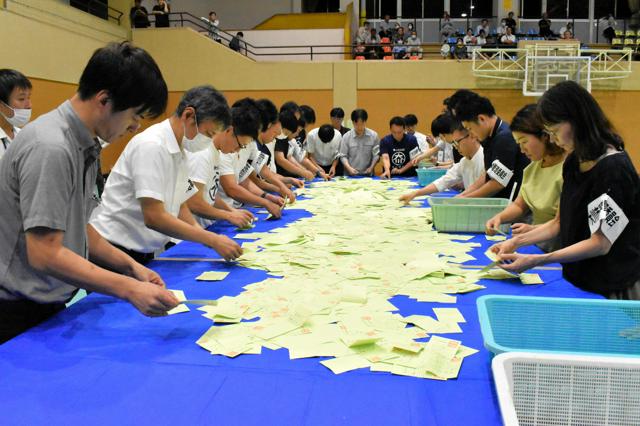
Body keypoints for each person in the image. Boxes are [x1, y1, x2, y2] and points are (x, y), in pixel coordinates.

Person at [0, 42, 179, 344]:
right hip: (15, 313)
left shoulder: (84, 143)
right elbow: (45, 253)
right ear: (104, 100)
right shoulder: (51, 147)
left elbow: (80, 228)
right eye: (134, 115)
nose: (134, 127)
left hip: (49, 304)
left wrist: (131, 267)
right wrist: (127, 288)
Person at [493, 81, 640, 300]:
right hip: (579, 275)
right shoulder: (573, 160)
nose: (553, 140)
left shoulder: (612, 168)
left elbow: (600, 243)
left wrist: (537, 260)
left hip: (614, 284)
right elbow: (558, 223)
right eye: (548, 132)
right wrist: (516, 242)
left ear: (577, 120)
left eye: (555, 131)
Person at [90, 85, 243, 265]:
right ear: (188, 116)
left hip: (142, 250)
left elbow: (181, 204)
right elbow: (154, 217)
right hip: (113, 249)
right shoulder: (152, 146)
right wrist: (211, 240)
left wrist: (204, 237)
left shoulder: (181, 150)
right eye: (208, 134)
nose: (208, 142)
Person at [485, 105, 566, 251]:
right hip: (537, 243)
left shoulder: (568, 169)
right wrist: (499, 218)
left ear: (545, 136)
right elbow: (519, 205)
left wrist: (533, 229)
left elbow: (561, 223)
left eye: (524, 142)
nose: (522, 150)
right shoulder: (532, 168)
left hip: (559, 247)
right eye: (518, 144)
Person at [186, 100, 262, 230]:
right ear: (229, 130)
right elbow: (193, 203)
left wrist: (232, 211)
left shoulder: (216, 152)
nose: (238, 150)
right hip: (188, 233)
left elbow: (210, 194)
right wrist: (228, 215)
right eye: (240, 145)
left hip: (206, 226)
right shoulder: (203, 153)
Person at [455, 93, 530, 199]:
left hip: (513, 206)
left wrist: (466, 199)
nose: (471, 134)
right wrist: (464, 194)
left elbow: (498, 183)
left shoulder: (504, 137)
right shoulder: (490, 137)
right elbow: (489, 174)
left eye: (470, 128)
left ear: (481, 119)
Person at [400, 121, 484, 203]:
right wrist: (415, 193)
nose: (456, 147)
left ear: (472, 136)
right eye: (454, 143)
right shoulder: (464, 162)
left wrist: (458, 199)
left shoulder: (485, 159)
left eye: (457, 142)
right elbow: (444, 181)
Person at [0, 69, 32, 162]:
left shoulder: (24, 136)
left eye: (29, 97)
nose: (29, 105)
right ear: (1, 105)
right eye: (22, 99)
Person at [338, 108, 380, 176]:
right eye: (357, 124)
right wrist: (349, 168)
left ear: (365, 121)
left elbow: (376, 155)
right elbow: (343, 156)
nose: (359, 127)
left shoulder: (374, 136)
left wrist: (371, 167)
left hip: (368, 174)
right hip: (350, 175)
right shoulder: (346, 137)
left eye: (362, 124)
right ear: (353, 122)